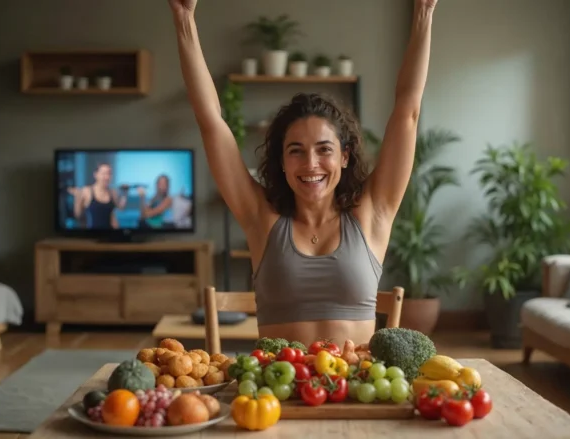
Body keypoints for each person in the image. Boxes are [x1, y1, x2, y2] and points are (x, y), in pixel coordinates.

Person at [168, 0, 436, 347]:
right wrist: (184, 18)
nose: (311, 164)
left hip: (354, 391)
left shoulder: (373, 212)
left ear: (344, 157)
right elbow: (210, 120)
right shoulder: (259, 216)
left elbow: (408, 111)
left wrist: (424, 12)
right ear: (281, 161)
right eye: (296, 150)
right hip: (276, 395)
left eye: (324, 149)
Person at [68, 163, 128, 229]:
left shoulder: (113, 192)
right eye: (103, 173)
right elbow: (78, 215)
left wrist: (125, 193)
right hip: (93, 235)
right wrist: (77, 198)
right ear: (96, 175)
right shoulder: (86, 191)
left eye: (109, 173)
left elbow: (121, 208)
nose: (107, 177)